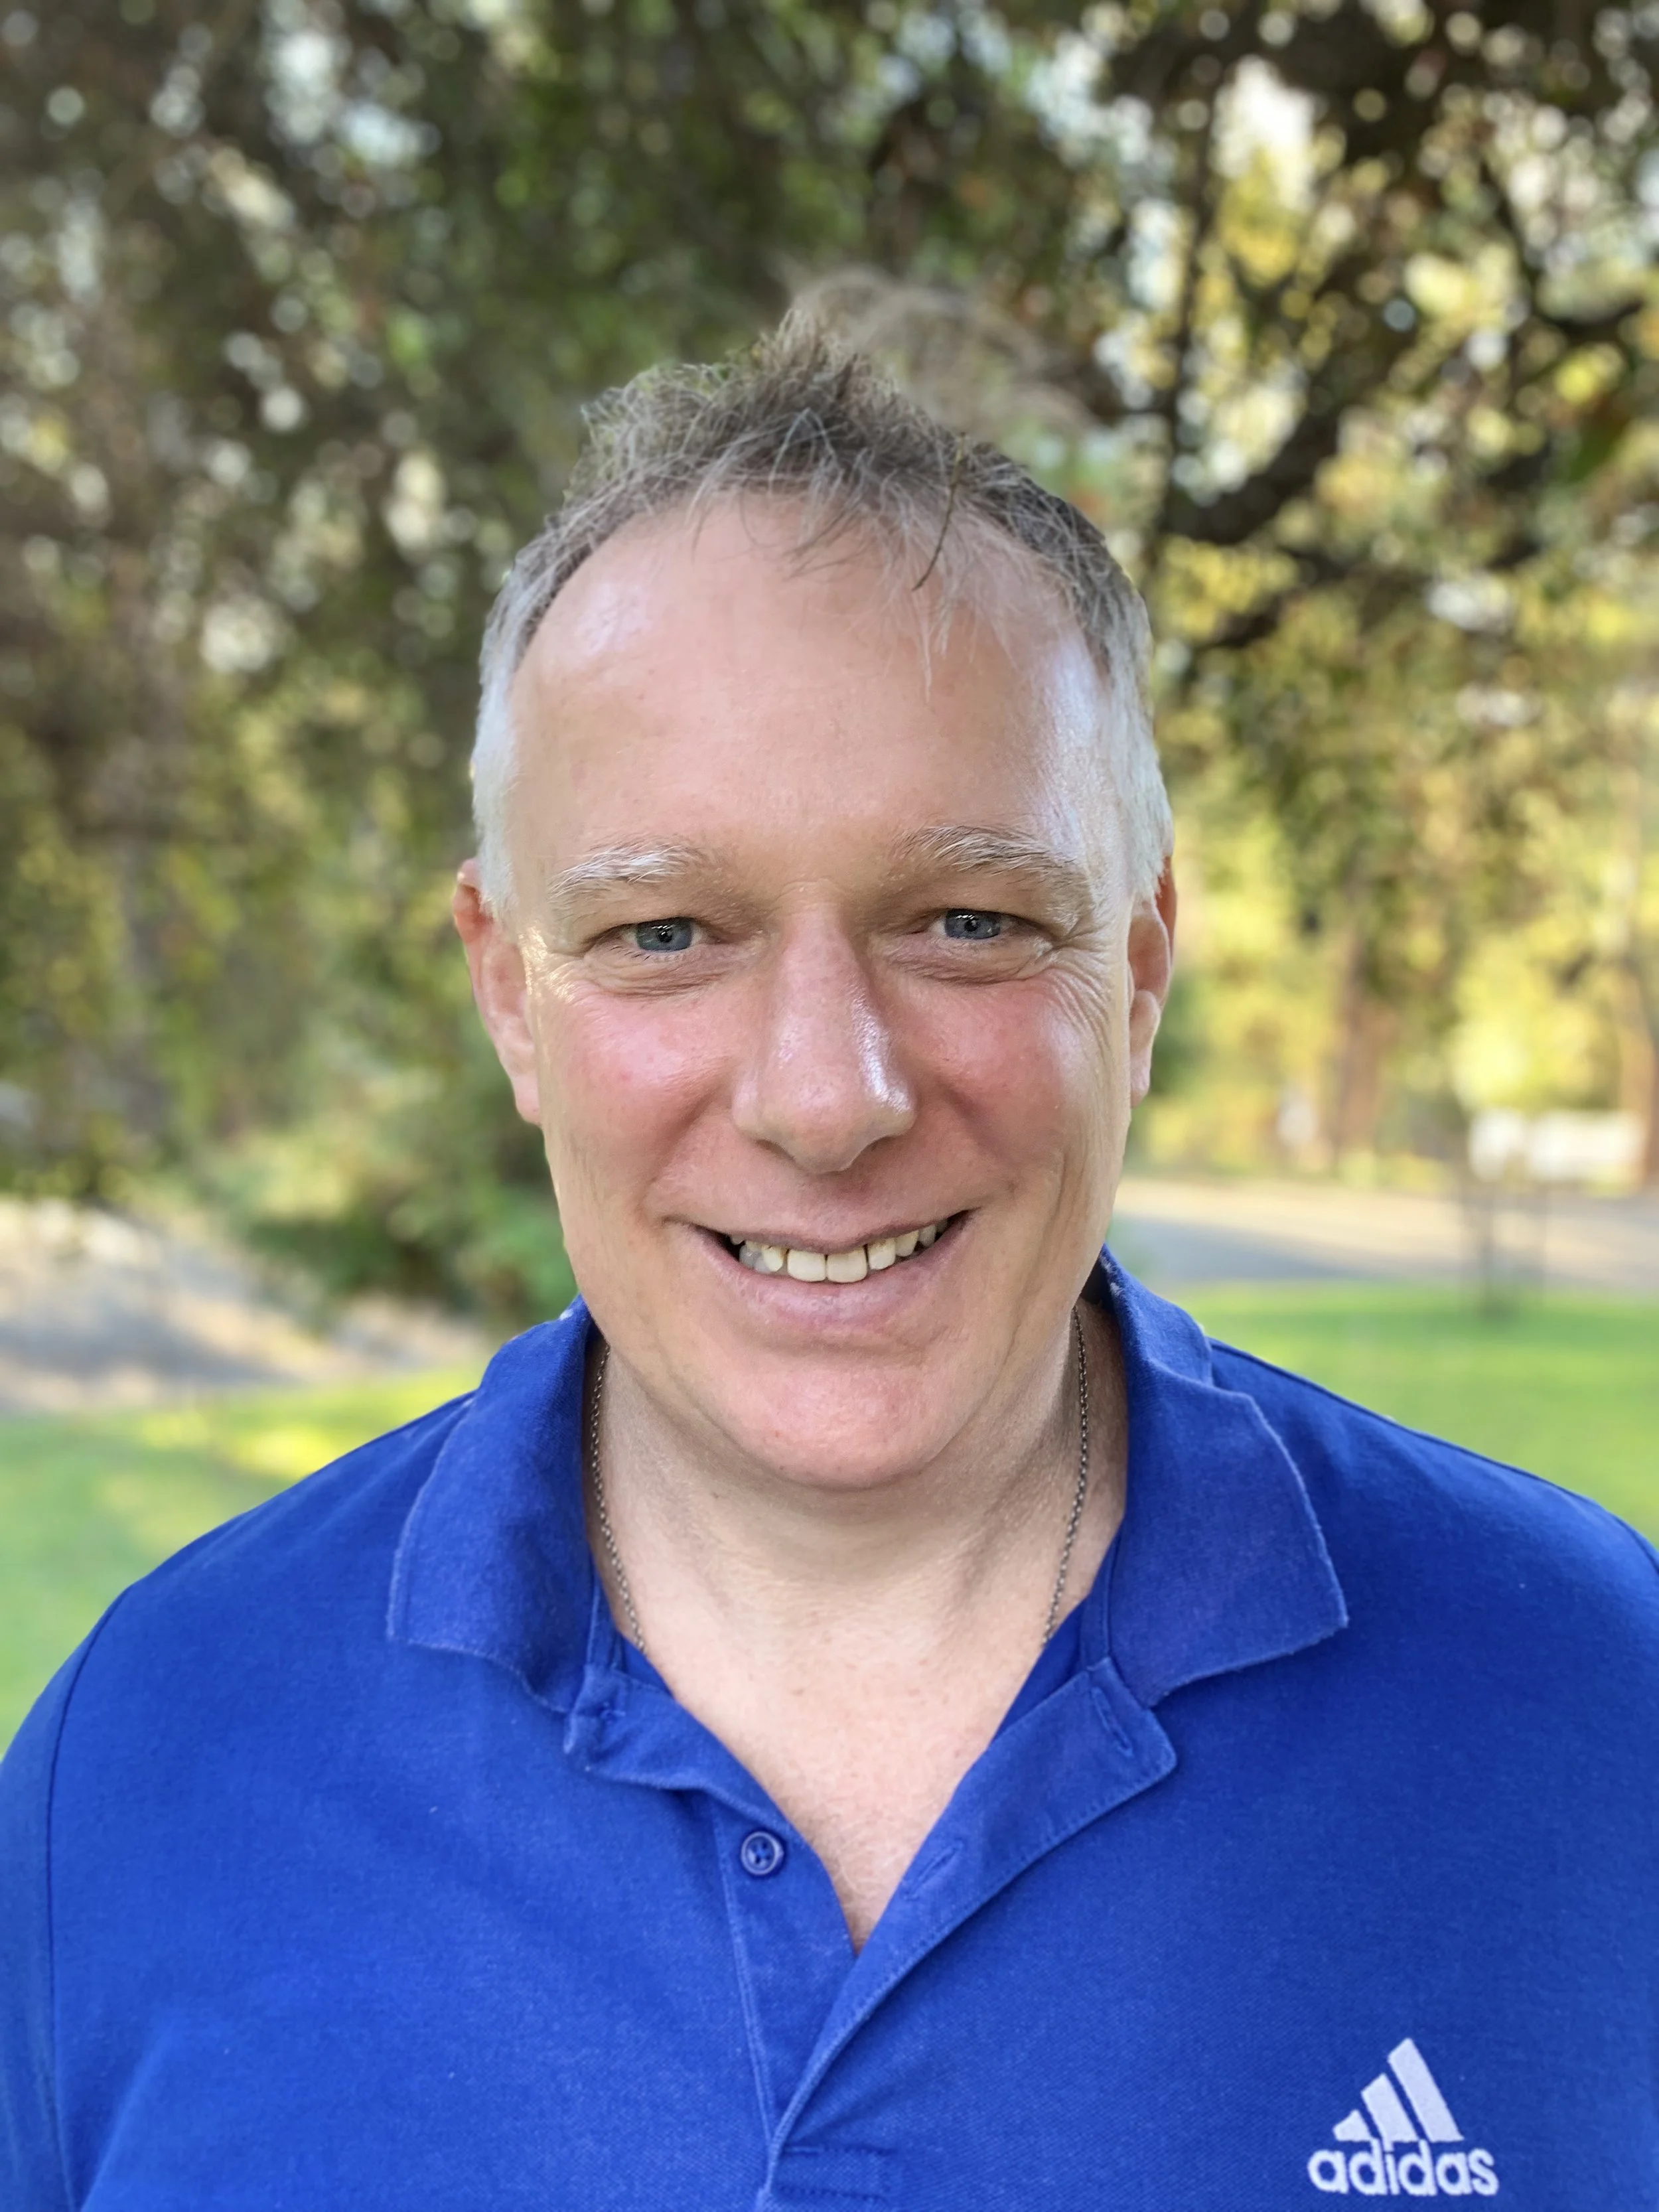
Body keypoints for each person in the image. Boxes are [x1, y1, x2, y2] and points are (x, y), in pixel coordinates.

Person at [2, 326, 1656, 2212]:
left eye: (967, 919)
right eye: (663, 930)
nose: (824, 1096)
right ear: (505, 991)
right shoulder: (146, 1760)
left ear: (1135, 964)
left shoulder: (1589, 1704)